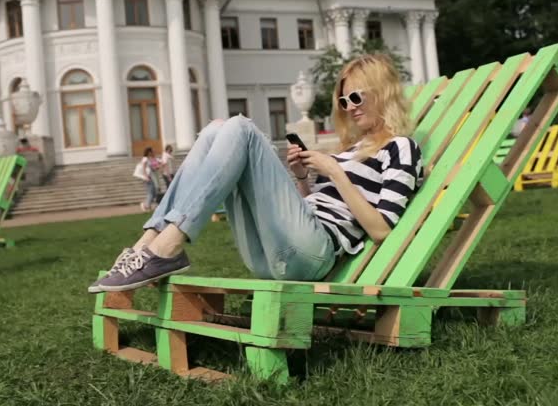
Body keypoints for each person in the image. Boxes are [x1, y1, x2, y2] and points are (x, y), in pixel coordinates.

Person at [88, 54, 424, 293]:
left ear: (382, 93)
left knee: (240, 128)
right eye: (343, 100)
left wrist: (334, 171)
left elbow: (382, 230)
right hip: (274, 253)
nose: (349, 107)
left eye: (355, 97)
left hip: (313, 256)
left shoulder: (400, 148)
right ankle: (148, 245)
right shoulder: (349, 149)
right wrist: (303, 180)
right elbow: (317, 208)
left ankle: (167, 247)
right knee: (214, 131)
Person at [133, 147, 158, 213]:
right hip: (147, 178)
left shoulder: (148, 159)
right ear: (149, 152)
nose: (153, 152)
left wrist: (156, 168)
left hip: (149, 177)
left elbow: (150, 168)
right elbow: (143, 168)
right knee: (151, 193)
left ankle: (148, 206)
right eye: (152, 151)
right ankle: (145, 205)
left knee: (153, 192)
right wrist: (146, 176)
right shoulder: (145, 159)